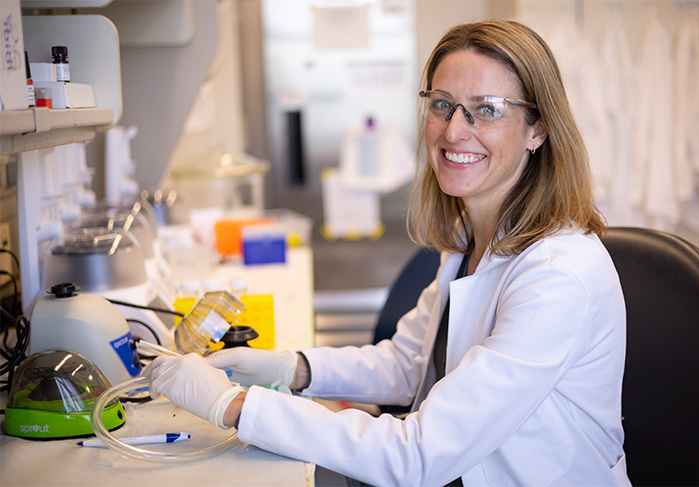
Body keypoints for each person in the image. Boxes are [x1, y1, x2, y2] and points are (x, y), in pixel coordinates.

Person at [145, 20, 629, 486]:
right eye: (443, 105)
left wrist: (232, 405)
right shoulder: (473, 238)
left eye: (487, 109)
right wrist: (292, 368)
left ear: (537, 130)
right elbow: (408, 364)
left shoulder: (558, 276)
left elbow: (417, 456)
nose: (455, 131)